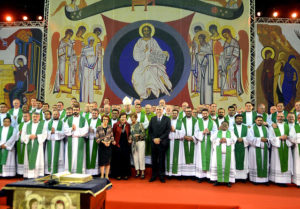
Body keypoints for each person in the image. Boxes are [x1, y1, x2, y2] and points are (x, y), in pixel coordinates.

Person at [132, 23, 172, 99]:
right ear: (142, 32)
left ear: (150, 31)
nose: (146, 32)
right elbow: (136, 55)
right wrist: (145, 51)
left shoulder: (153, 41)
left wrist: (163, 53)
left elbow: (158, 51)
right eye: (144, 30)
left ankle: (151, 92)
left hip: (152, 63)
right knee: (136, 77)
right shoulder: (139, 42)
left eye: (148, 30)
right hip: (142, 65)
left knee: (152, 73)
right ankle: (143, 94)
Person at [269, 112, 293, 186]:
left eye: (282, 116)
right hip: (277, 147)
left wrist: (287, 137)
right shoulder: (272, 127)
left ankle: (285, 180)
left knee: (286, 162)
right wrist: (279, 138)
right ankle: (276, 179)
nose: (280, 118)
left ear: (284, 117)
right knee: (277, 163)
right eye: (279, 116)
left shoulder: (288, 126)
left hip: (286, 146)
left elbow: (292, 136)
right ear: (276, 117)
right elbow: (270, 138)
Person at [64, 103, 88, 173]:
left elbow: (86, 130)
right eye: (74, 110)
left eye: (77, 110)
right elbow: (65, 130)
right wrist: (71, 129)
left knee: (79, 156)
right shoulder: (68, 119)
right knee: (70, 156)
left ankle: (79, 171)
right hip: (71, 140)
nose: (75, 111)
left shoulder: (83, 119)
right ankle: (70, 171)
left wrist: (77, 131)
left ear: (79, 110)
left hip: (79, 140)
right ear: (72, 110)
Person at [210, 121, 237, 187]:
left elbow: (234, 140)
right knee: (217, 165)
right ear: (220, 126)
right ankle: (217, 180)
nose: (224, 126)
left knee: (228, 166)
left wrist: (226, 140)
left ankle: (228, 181)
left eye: (226, 125)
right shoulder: (217, 132)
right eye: (223, 125)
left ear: (228, 126)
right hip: (217, 153)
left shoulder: (231, 133)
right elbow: (211, 139)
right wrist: (219, 140)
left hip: (228, 153)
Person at [149, 106, 171, 183]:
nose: (158, 111)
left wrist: (160, 139)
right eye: (157, 109)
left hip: (162, 143)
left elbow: (168, 130)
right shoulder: (152, 119)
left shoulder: (167, 119)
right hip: (154, 143)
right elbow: (150, 131)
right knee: (154, 160)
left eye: (160, 109)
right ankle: (154, 175)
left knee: (162, 160)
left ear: (163, 110)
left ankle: (162, 176)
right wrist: (154, 139)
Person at [21, 112, 47, 178]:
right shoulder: (26, 125)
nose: (35, 118)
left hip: (38, 144)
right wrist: (28, 136)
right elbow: (23, 135)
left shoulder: (43, 125)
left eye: (36, 116)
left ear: (39, 117)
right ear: (31, 117)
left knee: (38, 158)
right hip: (29, 143)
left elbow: (45, 134)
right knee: (28, 158)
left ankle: (38, 174)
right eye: (34, 116)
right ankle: (28, 175)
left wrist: (37, 136)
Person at [194, 108, 217, 182]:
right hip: (201, 142)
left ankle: (209, 176)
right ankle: (200, 176)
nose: (205, 115)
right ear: (201, 114)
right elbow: (196, 132)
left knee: (209, 158)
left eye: (206, 113)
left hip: (210, 143)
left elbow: (216, 132)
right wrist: (202, 133)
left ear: (208, 113)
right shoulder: (198, 121)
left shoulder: (212, 122)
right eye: (203, 113)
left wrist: (210, 132)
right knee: (200, 159)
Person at [248, 116, 270, 184]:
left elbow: (270, 138)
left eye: (261, 120)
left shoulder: (266, 128)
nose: (260, 121)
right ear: (255, 120)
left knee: (265, 164)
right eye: (258, 120)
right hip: (255, 149)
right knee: (255, 164)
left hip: (265, 149)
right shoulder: (251, 128)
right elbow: (249, 138)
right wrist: (260, 139)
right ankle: (255, 180)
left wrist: (267, 140)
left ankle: (265, 180)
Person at [111, 112, 131, 180]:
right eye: (122, 117)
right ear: (120, 118)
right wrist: (113, 141)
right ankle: (118, 174)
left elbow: (130, 134)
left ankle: (125, 174)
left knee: (125, 159)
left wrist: (130, 139)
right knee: (118, 160)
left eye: (125, 117)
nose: (123, 118)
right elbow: (112, 134)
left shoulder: (128, 125)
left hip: (126, 144)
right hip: (118, 144)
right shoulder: (115, 125)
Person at [45, 110, 65, 174]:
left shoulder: (62, 123)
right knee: (50, 156)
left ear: (59, 115)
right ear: (52, 115)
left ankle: (59, 171)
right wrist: (50, 132)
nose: (55, 115)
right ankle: (49, 171)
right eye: (54, 114)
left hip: (59, 143)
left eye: (56, 114)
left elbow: (64, 133)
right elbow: (44, 132)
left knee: (59, 156)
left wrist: (55, 132)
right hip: (50, 142)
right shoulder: (48, 123)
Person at [166, 109, 185, 177]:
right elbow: (164, 131)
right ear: (171, 114)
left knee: (178, 158)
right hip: (170, 142)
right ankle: (169, 173)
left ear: (177, 114)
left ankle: (177, 174)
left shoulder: (180, 122)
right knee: (169, 157)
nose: (174, 114)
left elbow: (183, 133)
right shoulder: (168, 121)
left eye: (175, 113)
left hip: (178, 142)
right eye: (173, 113)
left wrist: (174, 130)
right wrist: (169, 130)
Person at [181, 107, 199, 177]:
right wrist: (184, 136)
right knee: (184, 157)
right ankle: (185, 174)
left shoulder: (196, 120)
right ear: (185, 112)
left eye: (189, 111)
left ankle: (192, 174)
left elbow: (198, 130)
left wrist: (193, 137)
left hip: (192, 141)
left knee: (193, 157)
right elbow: (180, 130)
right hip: (184, 140)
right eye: (187, 111)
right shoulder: (181, 120)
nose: (188, 112)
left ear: (191, 112)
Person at [96, 115, 114, 179]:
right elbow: (97, 138)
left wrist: (109, 142)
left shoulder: (110, 127)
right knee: (102, 162)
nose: (105, 120)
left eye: (106, 119)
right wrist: (103, 142)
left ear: (108, 120)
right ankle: (102, 175)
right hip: (101, 146)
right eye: (104, 119)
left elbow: (112, 137)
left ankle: (106, 175)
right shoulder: (98, 127)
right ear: (102, 120)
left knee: (107, 161)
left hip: (108, 147)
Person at [232, 114, 249, 181]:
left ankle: (243, 177)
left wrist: (243, 139)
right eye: (238, 118)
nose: (239, 120)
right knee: (234, 160)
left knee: (244, 161)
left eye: (241, 118)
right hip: (235, 146)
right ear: (235, 119)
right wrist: (236, 139)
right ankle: (235, 177)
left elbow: (249, 136)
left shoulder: (246, 127)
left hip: (243, 146)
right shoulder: (232, 127)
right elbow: (230, 135)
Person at [130, 113, 146, 179]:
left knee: (141, 157)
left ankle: (142, 172)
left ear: (136, 118)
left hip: (140, 142)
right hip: (133, 143)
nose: (132, 119)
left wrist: (139, 135)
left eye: (133, 117)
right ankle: (137, 171)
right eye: (131, 117)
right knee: (135, 157)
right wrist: (130, 137)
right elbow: (129, 134)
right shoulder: (130, 125)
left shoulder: (140, 124)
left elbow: (144, 134)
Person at [86, 108, 102, 175]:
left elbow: (102, 131)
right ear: (91, 114)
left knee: (96, 156)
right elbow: (83, 130)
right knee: (88, 155)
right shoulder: (87, 121)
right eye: (93, 113)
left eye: (95, 113)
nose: (94, 114)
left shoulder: (100, 121)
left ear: (98, 114)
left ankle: (96, 172)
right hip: (88, 140)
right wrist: (88, 130)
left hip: (96, 141)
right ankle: (88, 172)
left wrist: (94, 130)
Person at [16, 112, 31, 176]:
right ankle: (20, 173)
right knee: (20, 157)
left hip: (28, 144)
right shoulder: (20, 125)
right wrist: (19, 134)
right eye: (24, 116)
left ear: (29, 117)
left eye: (26, 116)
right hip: (20, 143)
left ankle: (27, 172)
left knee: (27, 158)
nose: (25, 117)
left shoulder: (31, 124)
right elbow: (15, 134)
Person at [290, 114, 300, 187]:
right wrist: (298, 140)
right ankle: (298, 181)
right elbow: (291, 137)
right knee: (298, 165)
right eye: (299, 118)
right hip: (297, 147)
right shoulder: (295, 127)